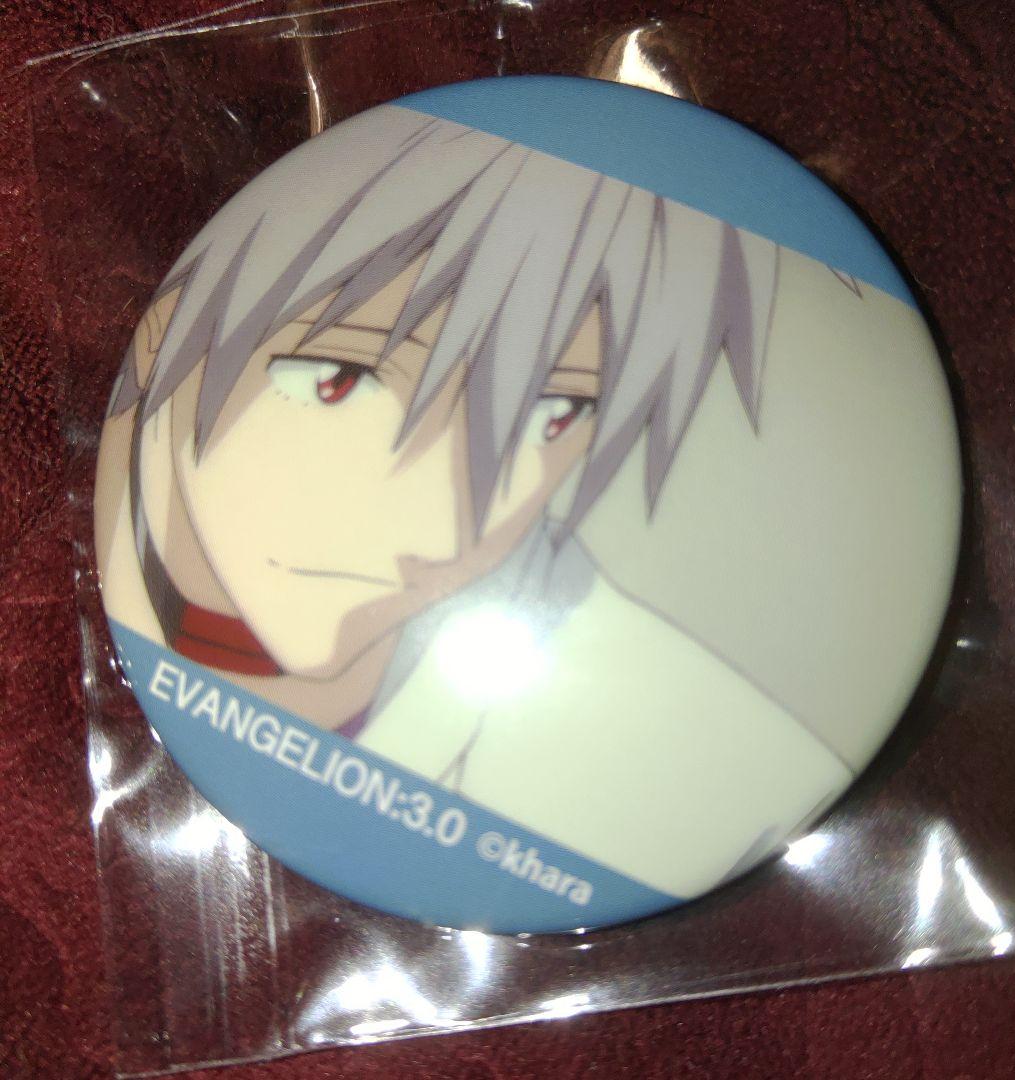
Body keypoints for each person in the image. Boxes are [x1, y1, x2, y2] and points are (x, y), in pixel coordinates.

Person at [95, 105, 848, 896]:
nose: (445, 528)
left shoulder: (716, 778)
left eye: (552, 413)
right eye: (341, 381)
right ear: (165, 336)